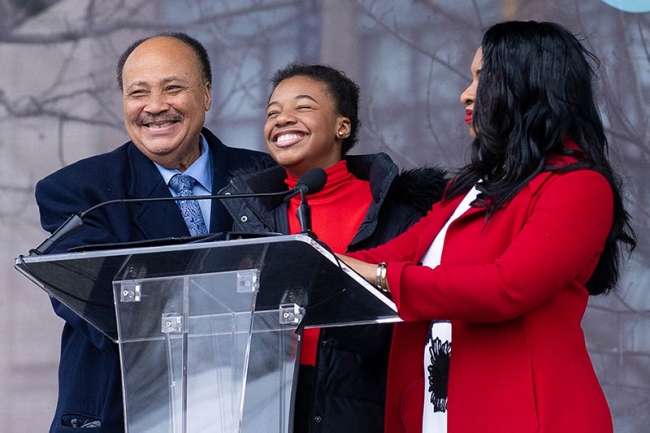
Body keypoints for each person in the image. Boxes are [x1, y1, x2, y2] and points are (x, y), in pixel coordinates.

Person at [338, 21, 636, 433]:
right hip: (435, 413)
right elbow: (387, 256)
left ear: (527, 85)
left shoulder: (580, 187)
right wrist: (302, 259)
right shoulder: (468, 190)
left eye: (482, 77)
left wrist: (385, 276)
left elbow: (505, 288)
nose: (465, 92)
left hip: (526, 417)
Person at [34, 32, 271, 432]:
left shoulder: (265, 178)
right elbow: (90, 301)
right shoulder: (79, 189)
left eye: (173, 88)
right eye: (137, 93)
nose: (155, 107)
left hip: (251, 408)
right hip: (123, 413)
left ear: (207, 94)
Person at [219, 63, 448, 432]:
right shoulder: (249, 215)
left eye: (302, 107)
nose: (282, 119)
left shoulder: (396, 209)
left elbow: (412, 318)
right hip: (267, 404)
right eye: (272, 112)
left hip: (362, 405)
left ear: (343, 126)